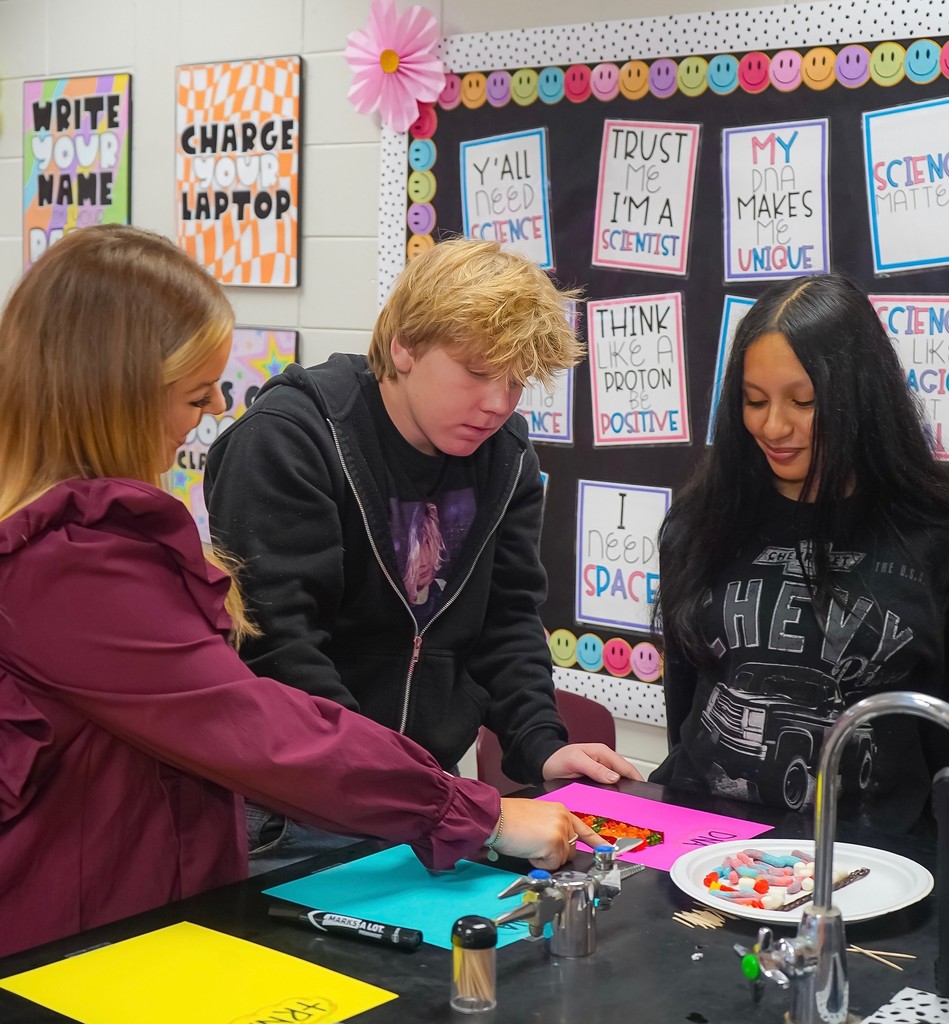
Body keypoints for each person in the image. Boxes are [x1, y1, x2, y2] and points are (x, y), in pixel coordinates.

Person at [0, 225, 604, 958]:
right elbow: (258, 716)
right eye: (195, 395)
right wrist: (469, 812)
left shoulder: (504, 458)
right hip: (103, 912)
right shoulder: (72, 559)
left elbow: (507, 616)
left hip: (201, 861)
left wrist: (526, 751)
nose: (212, 410)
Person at [204, 238, 640, 869]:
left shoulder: (507, 455)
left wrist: (540, 745)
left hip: (427, 800)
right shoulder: (292, 440)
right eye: (479, 372)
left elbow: (507, 620)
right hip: (296, 815)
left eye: (517, 382)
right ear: (404, 346)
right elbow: (282, 651)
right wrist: (413, 794)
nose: (498, 404)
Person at [650, 272, 949, 831]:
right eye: (754, 400)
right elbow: (686, 703)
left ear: (860, 397)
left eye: (804, 401)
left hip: (875, 867)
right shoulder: (700, 523)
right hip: (704, 844)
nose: (774, 426)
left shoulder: (932, 534)